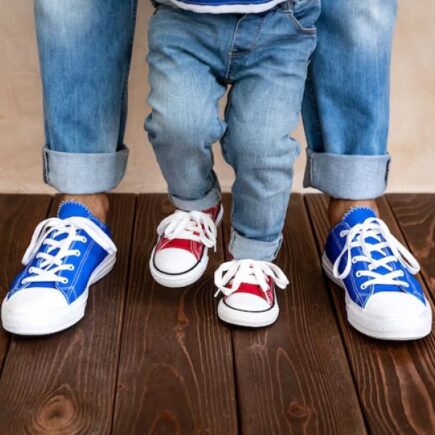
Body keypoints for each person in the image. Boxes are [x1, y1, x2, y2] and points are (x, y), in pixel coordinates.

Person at [1, 0, 431, 339]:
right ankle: (108, 209)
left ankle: (267, 253)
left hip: (280, 21)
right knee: (175, 121)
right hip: (185, 17)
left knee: (263, 144)